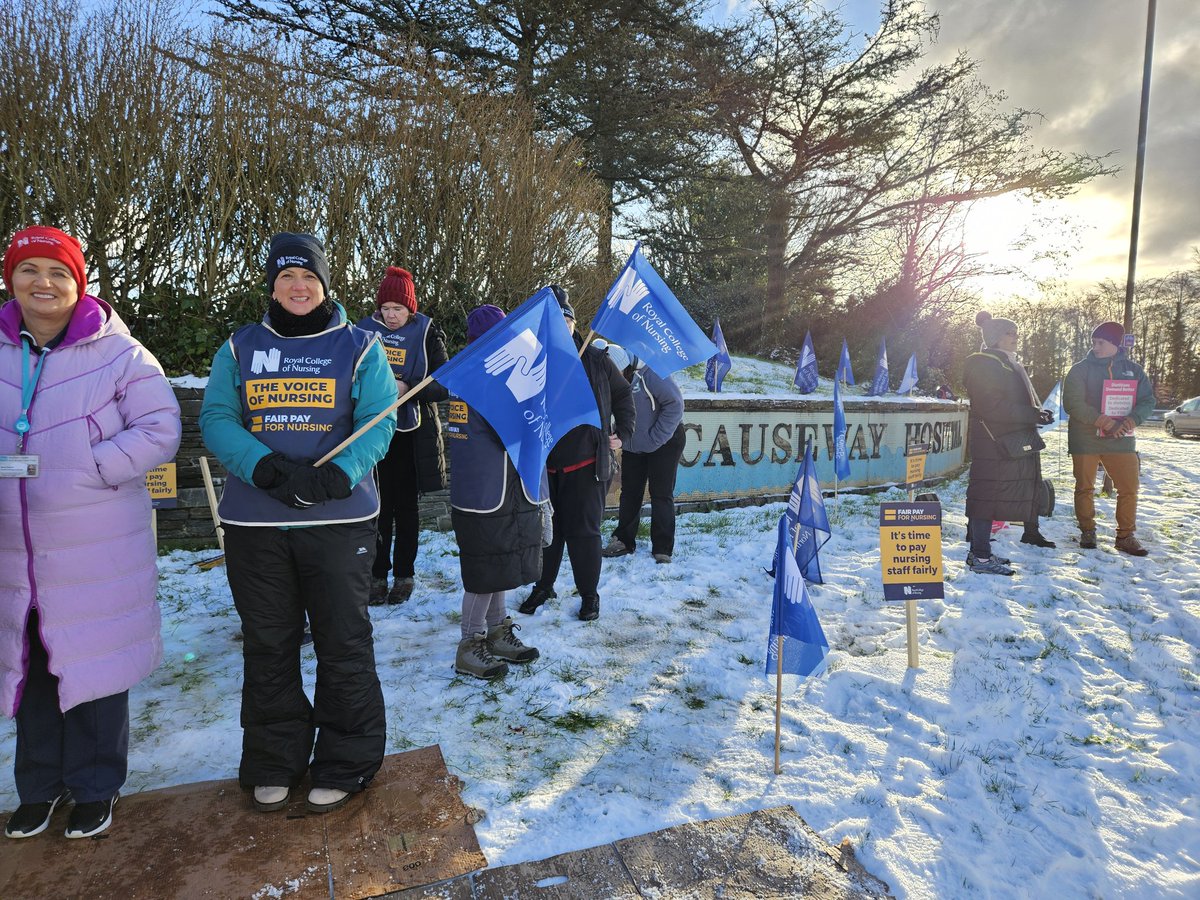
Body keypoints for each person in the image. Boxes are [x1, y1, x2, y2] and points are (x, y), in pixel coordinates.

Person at [199, 232, 397, 814]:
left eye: (308, 276)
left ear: (325, 284)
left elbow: (379, 420)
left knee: (343, 641)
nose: (298, 285)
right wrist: (265, 469)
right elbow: (217, 417)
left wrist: (337, 475)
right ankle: (273, 758)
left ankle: (347, 758)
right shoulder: (239, 346)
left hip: (339, 520)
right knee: (269, 643)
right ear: (272, 286)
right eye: (286, 276)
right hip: (256, 522)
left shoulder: (361, 346)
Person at [0, 226, 181, 839]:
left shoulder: (119, 354)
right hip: (13, 549)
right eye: (29, 270)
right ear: (11, 279)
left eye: (59, 272)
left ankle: (96, 786)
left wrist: (90, 467)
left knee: (94, 663)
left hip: (95, 543)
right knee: (29, 666)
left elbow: (159, 428)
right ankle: (38, 787)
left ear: (79, 284)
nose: (43, 283)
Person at [518, 286, 635, 621]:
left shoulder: (596, 361)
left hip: (587, 465)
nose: (560, 326)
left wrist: (623, 433)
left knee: (584, 535)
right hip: (545, 467)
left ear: (573, 323)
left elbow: (623, 397)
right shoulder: (530, 361)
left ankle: (589, 595)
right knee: (547, 533)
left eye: (565, 320)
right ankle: (544, 586)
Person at [447, 305, 542, 679]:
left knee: (497, 564)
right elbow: (515, 433)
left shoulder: (472, 376)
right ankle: (470, 643)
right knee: (483, 571)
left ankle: (498, 630)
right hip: (486, 493)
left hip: (490, 489)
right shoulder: (481, 383)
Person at [356, 266, 449, 605]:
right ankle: (377, 575)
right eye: (386, 308)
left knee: (406, 508)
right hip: (373, 432)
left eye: (398, 308)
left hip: (412, 433)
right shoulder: (362, 331)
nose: (391, 315)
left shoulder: (427, 331)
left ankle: (404, 575)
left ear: (411, 308)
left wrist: (409, 388)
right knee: (377, 507)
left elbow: (445, 383)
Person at [961, 312, 1056, 576]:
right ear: (994, 337)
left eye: (1016, 332)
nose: (1015, 337)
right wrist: (1031, 414)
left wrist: (1037, 413)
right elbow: (991, 406)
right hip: (993, 442)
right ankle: (980, 556)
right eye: (1009, 333)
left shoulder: (1006, 363)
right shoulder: (985, 364)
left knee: (991, 495)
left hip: (1004, 439)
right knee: (985, 495)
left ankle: (982, 552)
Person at [1063, 321, 1154, 556]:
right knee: (1085, 487)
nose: (1095, 347)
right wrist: (1104, 421)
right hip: (1085, 438)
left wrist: (1131, 420)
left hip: (1120, 439)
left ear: (1115, 344)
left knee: (1129, 487)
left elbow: (1147, 400)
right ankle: (1087, 531)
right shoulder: (1080, 369)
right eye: (1093, 342)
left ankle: (1125, 536)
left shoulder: (1134, 370)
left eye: (1100, 342)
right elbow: (1072, 403)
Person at [601, 345, 685, 564]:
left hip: (665, 440)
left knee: (661, 493)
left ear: (626, 368)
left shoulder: (652, 372)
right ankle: (623, 540)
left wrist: (654, 439)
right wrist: (618, 434)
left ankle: (662, 548)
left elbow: (675, 405)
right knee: (630, 492)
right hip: (633, 443)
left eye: (616, 374)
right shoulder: (613, 379)